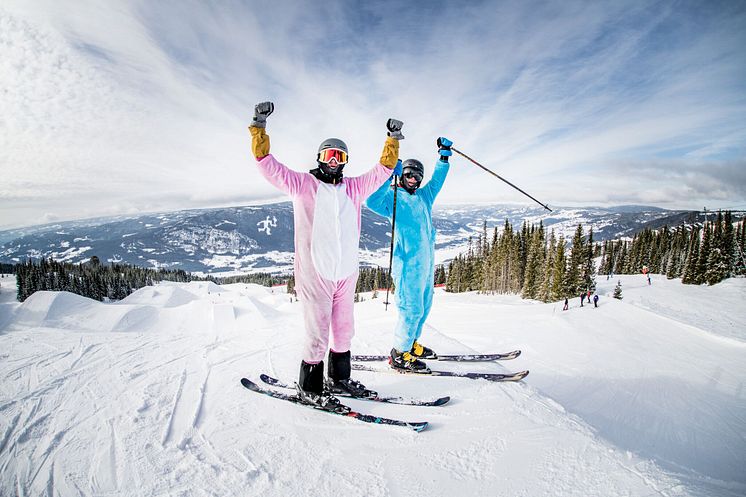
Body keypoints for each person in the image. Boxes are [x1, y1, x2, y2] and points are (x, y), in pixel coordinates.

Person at [248, 101, 402, 410]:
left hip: (345, 273)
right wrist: (259, 126)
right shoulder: (302, 184)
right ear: (319, 158)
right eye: (329, 155)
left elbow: (382, 170)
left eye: (339, 156)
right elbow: (267, 164)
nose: (333, 161)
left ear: (345, 161)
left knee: (344, 330)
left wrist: (393, 139)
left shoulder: (354, 188)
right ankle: (311, 389)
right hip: (314, 273)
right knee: (317, 333)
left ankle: (340, 379)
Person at [366, 137, 453, 373]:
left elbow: (437, 182)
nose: (413, 179)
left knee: (424, 308)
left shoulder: (424, 197)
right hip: (406, 266)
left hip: (425, 265)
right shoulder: (393, 198)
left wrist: (443, 157)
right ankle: (399, 354)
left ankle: (411, 344)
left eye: (417, 176)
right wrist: (387, 175)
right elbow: (370, 200)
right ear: (402, 175)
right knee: (410, 310)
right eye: (409, 174)